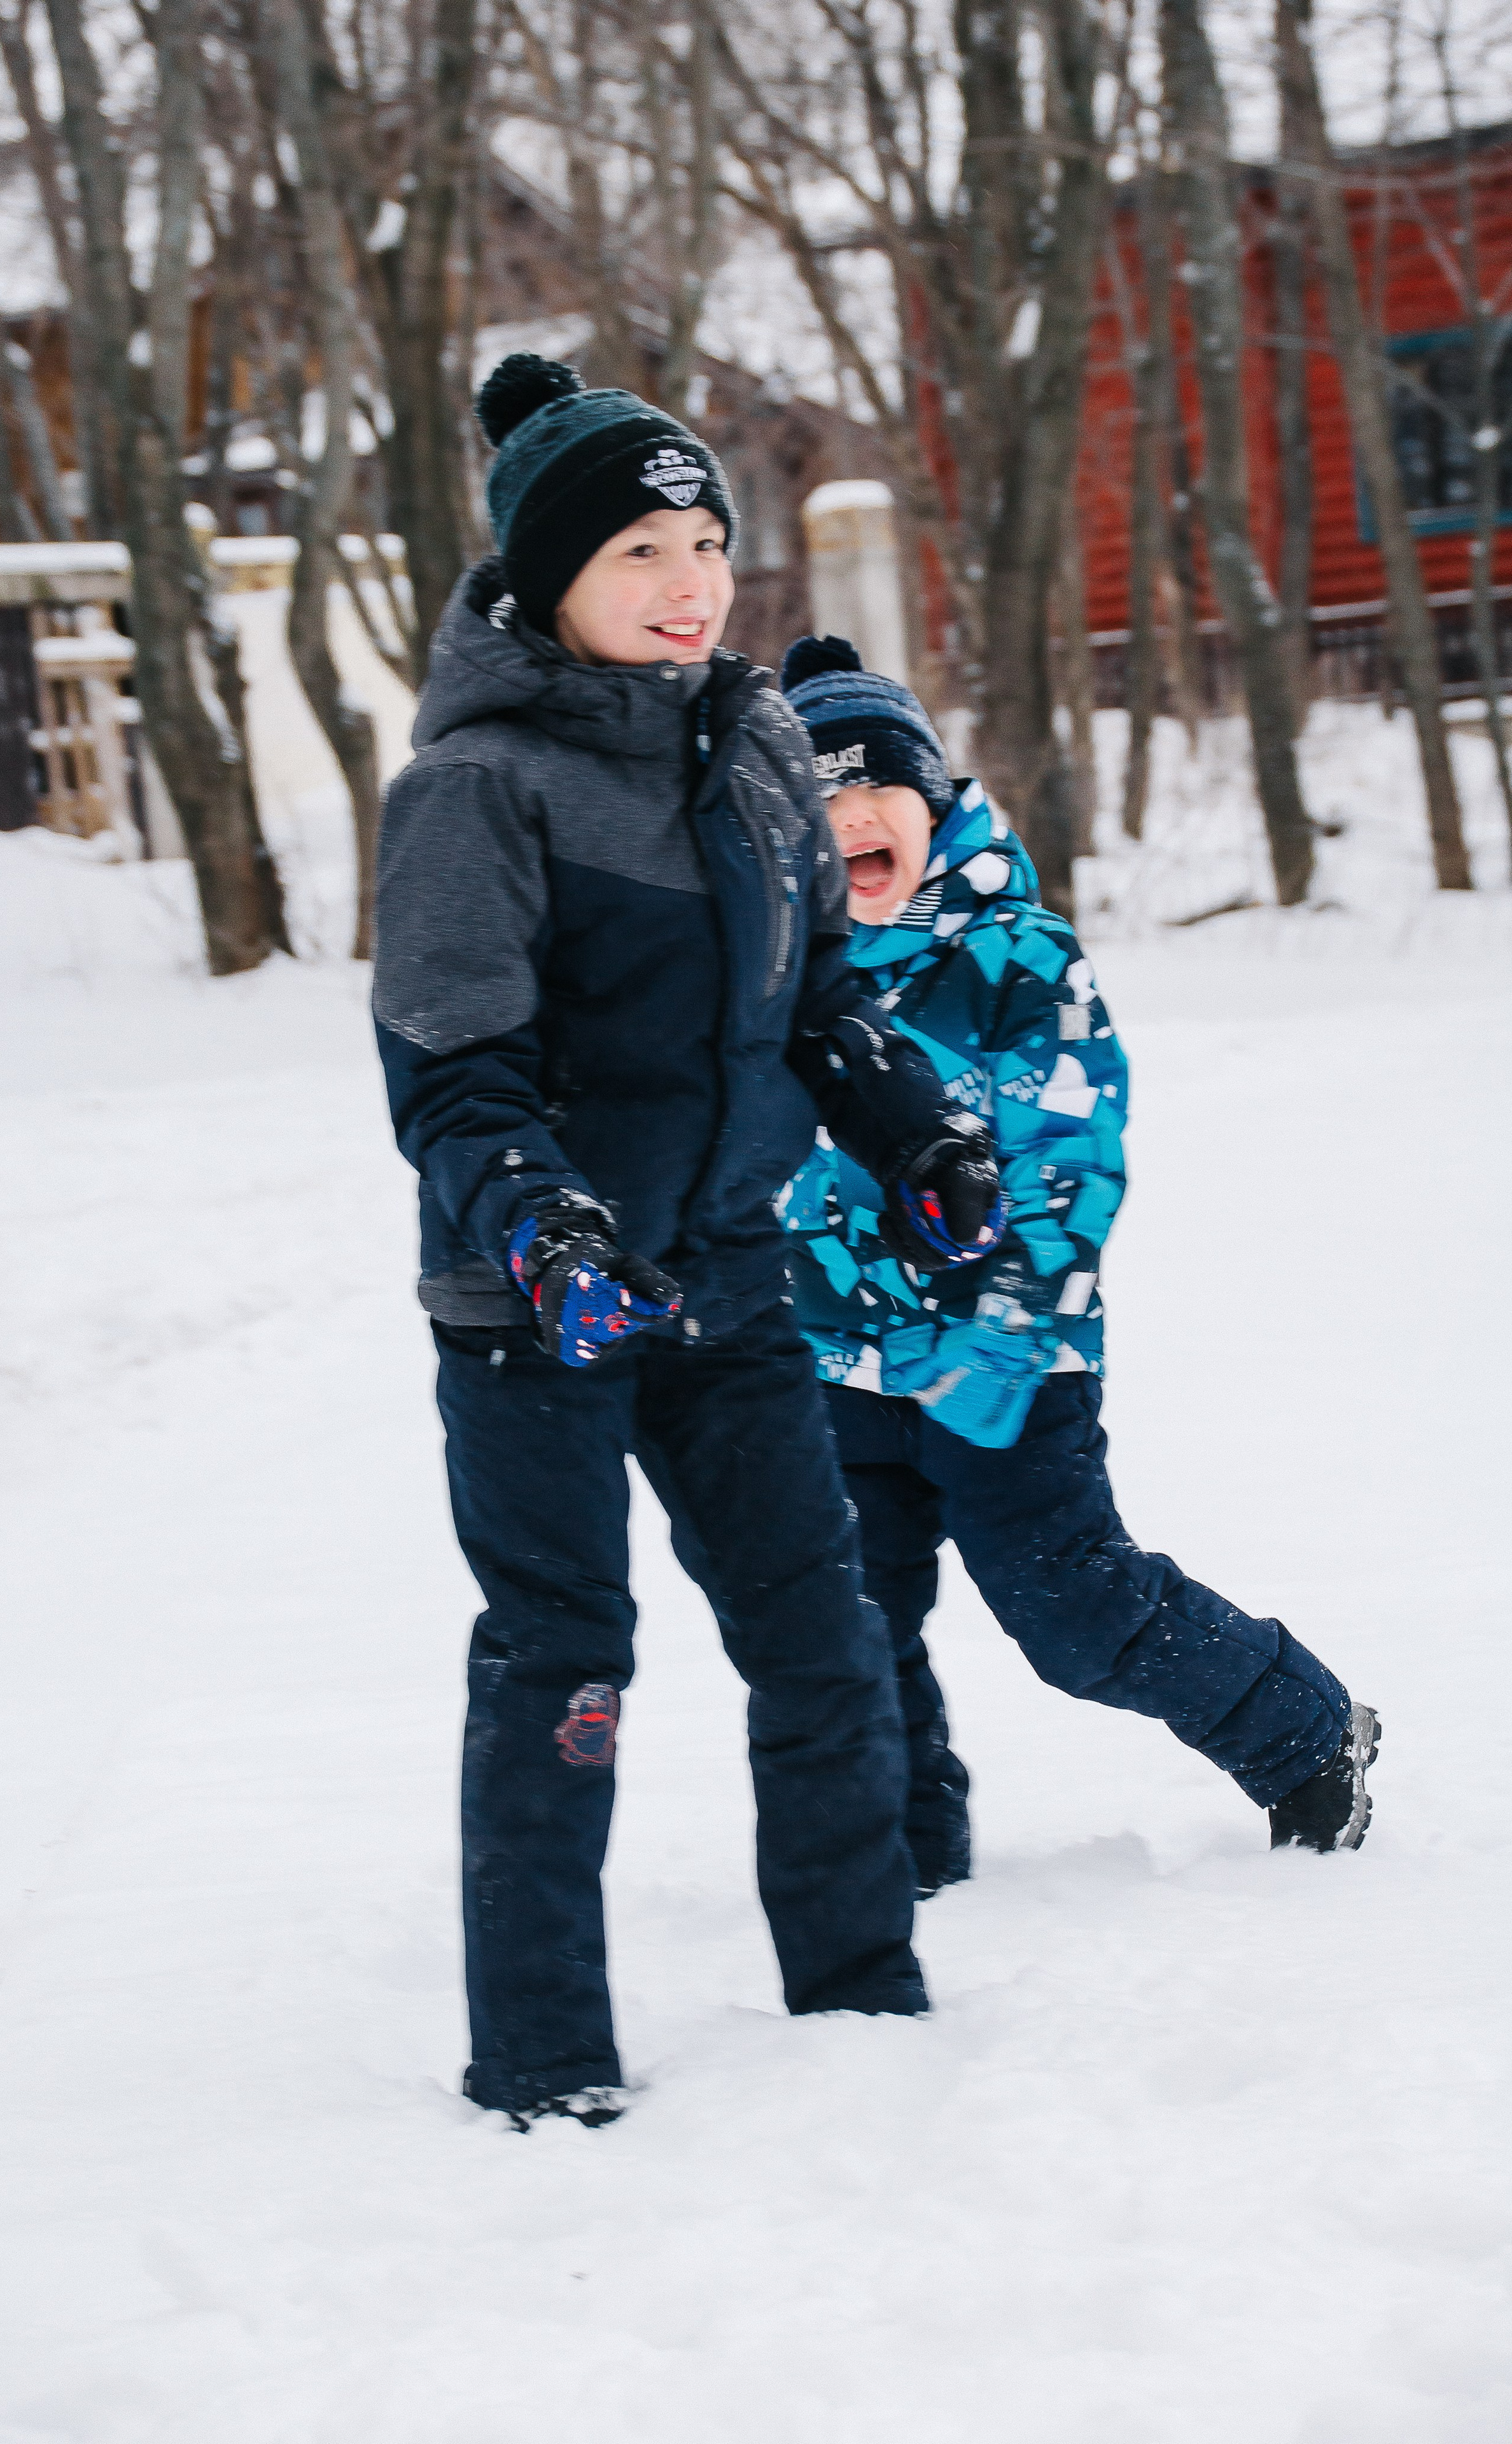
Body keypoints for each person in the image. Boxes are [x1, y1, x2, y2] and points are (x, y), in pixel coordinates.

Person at [372, 359, 1006, 2130]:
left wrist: (915, 1131)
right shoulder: (475, 789)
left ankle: (860, 1996)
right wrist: (547, 1228)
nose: (691, 581)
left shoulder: (758, 748)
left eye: (709, 541)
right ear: (548, 578)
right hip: (540, 1303)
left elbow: (815, 1005)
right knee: (565, 1660)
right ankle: (545, 2059)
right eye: (641, 549)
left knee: (822, 1636)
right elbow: (452, 1073)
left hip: (722, 1277)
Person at [776, 636, 1380, 1891]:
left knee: (1073, 1613)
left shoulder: (1015, 956)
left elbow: (1069, 1157)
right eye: (819, 803)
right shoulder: (775, 978)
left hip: (1009, 1358)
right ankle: (907, 1855)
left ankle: (1301, 1728)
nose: (853, 818)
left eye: (877, 788)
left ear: (933, 800)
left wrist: (1007, 1321)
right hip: (831, 1363)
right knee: (847, 1630)